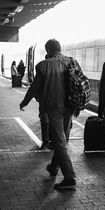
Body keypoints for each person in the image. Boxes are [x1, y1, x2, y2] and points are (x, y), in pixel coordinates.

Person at [20, 39, 77, 190]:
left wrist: (24, 102)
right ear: (60, 48)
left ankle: (70, 178)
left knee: (59, 141)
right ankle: (53, 167)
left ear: (48, 50)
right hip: (70, 107)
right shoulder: (72, 61)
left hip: (54, 108)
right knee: (61, 140)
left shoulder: (43, 65)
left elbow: (34, 88)